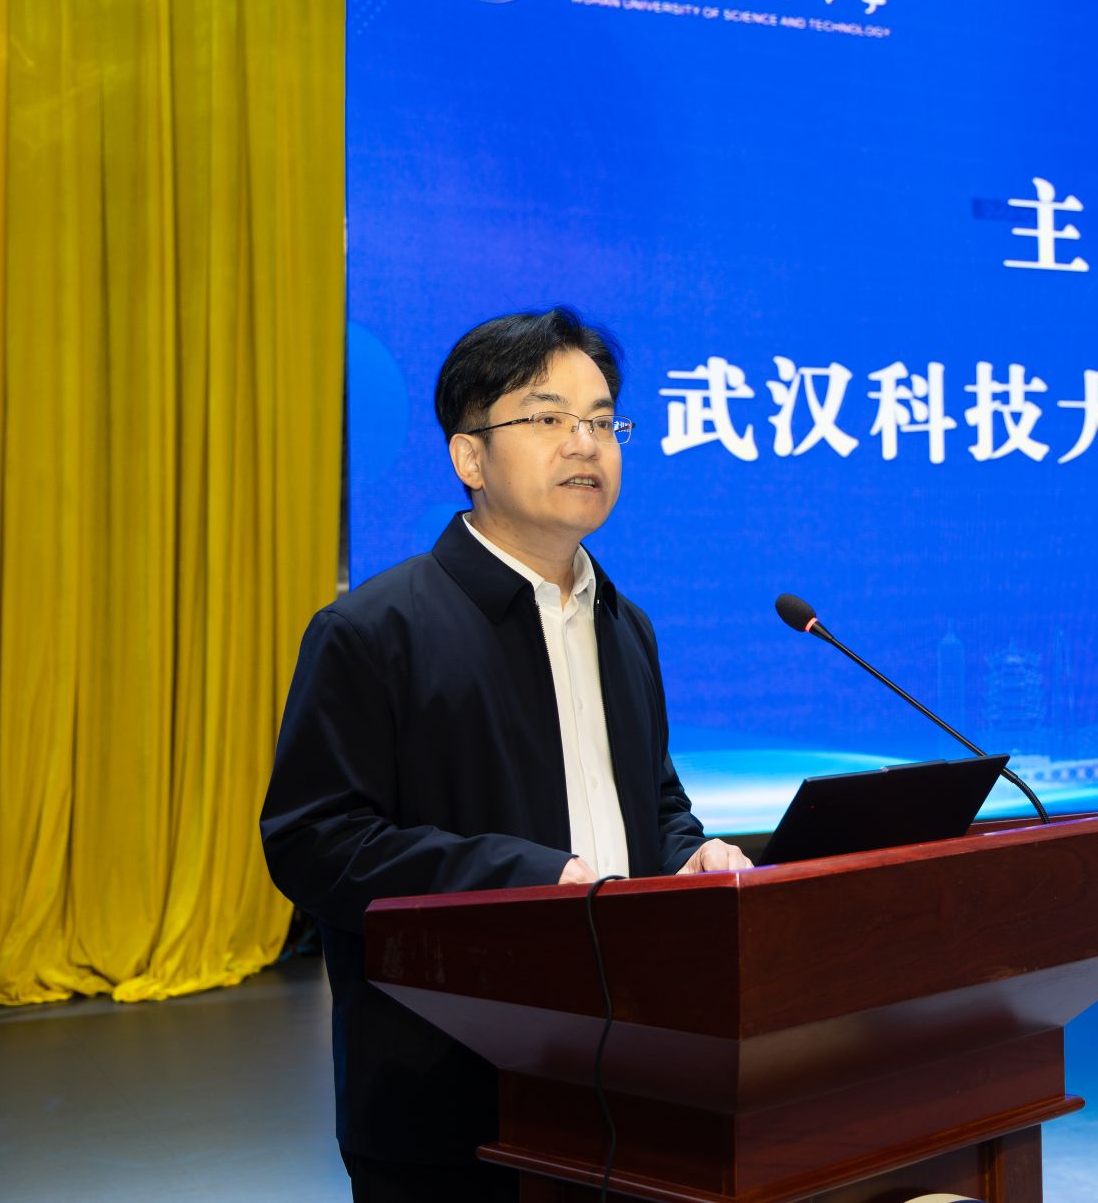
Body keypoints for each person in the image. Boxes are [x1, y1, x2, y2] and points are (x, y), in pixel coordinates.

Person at [260, 308, 751, 1202]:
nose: (585, 442)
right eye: (548, 416)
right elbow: (314, 841)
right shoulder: (373, 630)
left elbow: (653, 803)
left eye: (602, 420)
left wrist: (689, 854)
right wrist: (524, 878)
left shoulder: (625, 626)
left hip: (631, 1076)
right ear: (470, 457)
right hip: (448, 1096)